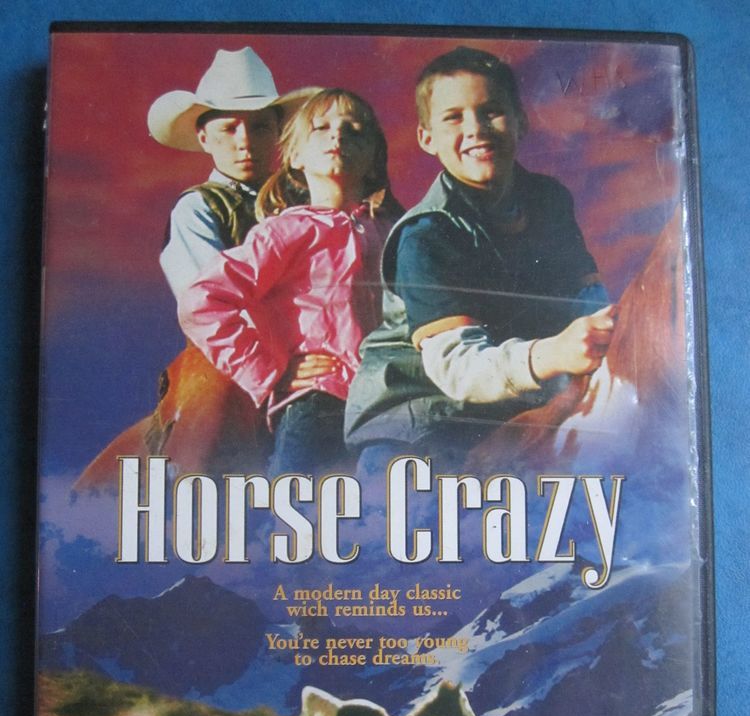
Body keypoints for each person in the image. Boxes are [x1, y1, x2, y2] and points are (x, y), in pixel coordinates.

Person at [344, 46, 615, 461]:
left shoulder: (549, 200)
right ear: (427, 138)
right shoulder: (425, 234)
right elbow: (459, 367)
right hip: (421, 419)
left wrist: (606, 328)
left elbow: (586, 300)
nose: (475, 129)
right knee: (411, 490)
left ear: (521, 122)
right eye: (454, 117)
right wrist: (554, 353)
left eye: (491, 112)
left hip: (514, 401)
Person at [178, 89, 401, 475]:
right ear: (295, 156)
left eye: (354, 130)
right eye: (322, 127)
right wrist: (268, 371)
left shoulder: (396, 232)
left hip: (390, 401)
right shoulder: (285, 231)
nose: (338, 135)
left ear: (373, 158)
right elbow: (204, 300)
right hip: (319, 400)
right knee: (300, 500)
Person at [147, 47, 316, 297]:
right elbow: (207, 299)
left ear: (278, 133)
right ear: (204, 138)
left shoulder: (304, 196)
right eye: (229, 129)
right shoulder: (197, 208)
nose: (245, 142)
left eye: (260, 127)